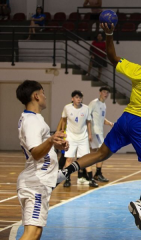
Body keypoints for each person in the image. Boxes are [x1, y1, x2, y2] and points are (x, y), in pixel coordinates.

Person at [59, 22, 141, 233]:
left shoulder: (138, 70)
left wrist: (109, 33)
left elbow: (111, 57)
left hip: (126, 119)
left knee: (101, 153)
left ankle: (65, 172)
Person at [16, 80, 68, 240]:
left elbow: (43, 147)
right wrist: (51, 140)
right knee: (32, 233)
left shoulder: (35, 118)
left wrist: (56, 144)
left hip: (39, 182)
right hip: (35, 184)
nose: (45, 96)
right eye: (43, 92)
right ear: (36, 96)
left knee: (36, 233)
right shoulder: (31, 121)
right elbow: (36, 153)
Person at [59, 90, 98, 188]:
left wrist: (89, 134)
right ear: (72, 99)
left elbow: (88, 122)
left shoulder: (86, 108)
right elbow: (63, 120)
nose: (79, 99)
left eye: (80, 97)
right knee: (69, 159)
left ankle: (91, 179)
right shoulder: (67, 108)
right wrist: (62, 132)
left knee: (86, 159)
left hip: (83, 137)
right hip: (70, 136)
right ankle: (67, 179)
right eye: (76, 97)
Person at [88, 86, 114, 182]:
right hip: (95, 132)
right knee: (103, 151)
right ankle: (96, 174)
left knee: (93, 153)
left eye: (107, 92)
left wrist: (110, 123)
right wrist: (89, 132)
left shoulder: (104, 105)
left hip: (99, 132)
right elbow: (87, 117)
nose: (106, 94)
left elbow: (102, 119)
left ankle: (91, 174)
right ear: (100, 92)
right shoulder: (94, 103)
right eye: (104, 92)